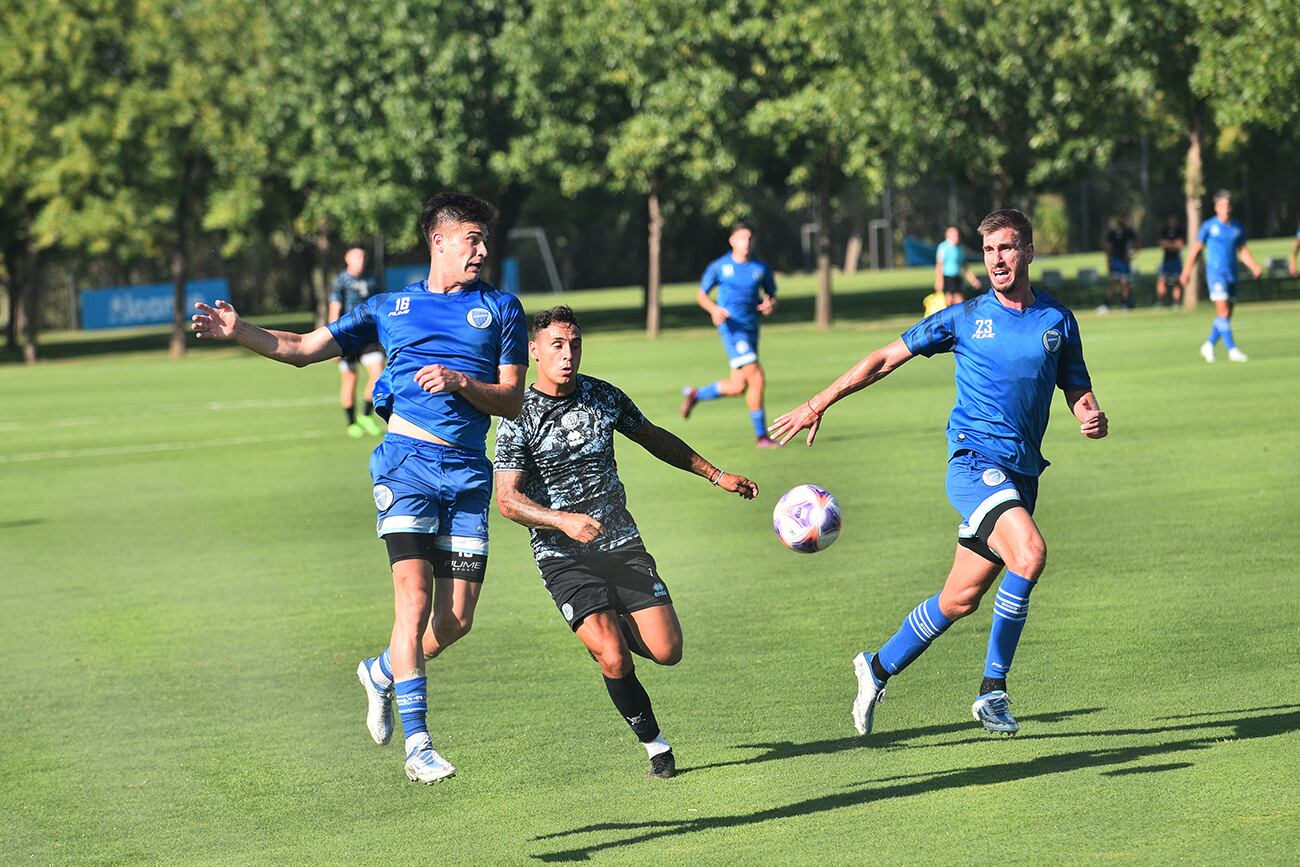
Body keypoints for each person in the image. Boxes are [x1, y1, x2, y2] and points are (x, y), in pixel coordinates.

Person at [192, 192, 529, 784]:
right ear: (439, 241)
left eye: (484, 240)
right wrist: (238, 328)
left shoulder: (502, 309)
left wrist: (462, 382)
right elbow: (300, 349)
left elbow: (513, 398)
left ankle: (380, 672)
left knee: (453, 623)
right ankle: (419, 744)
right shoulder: (388, 306)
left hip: (470, 473)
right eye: (471, 239)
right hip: (405, 464)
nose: (481, 250)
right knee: (414, 600)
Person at [769, 208, 1107, 737]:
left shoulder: (1057, 321)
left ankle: (876, 667)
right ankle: (992, 691)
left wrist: (1088, 413)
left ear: (1029, 252)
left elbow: (1076, 387)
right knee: (1031, 553)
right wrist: (819, 401)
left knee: (959, 599)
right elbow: (884, 358)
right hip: (974, 464)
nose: (997, 259)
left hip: (1022, 475)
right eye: (990, 250)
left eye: (1008, 248)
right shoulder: (965, 317)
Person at [495, 305, 758, 779]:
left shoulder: (602, 396)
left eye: (574, 344)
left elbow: (654, 438)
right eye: (556, 345)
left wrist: (716, 475)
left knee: (667, 651)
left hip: (622, 545)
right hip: (562, 556)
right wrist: (562, 521)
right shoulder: (517, 416)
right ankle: (655, 744)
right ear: (533, 352)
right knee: (612, 655)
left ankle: (611, 618)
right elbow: (508, 500)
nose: (568, 353)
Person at [680, 222, 780, 448]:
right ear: (732, 241)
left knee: (738, 386)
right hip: (732, 329)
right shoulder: (719, 267)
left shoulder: (760, 268)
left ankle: (696, 394)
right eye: (742, 238)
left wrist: (770, 305)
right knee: (757, 378)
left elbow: (771, 296)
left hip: (751, 329)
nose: (746, 243)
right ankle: (762, 437)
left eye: (749, 238)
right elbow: (700, 295)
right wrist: (714, 309)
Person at [1180, 190, 1262, 363]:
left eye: (1228, 205)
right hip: (1215, 274)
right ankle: (1232, 350)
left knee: (1226, 315)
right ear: (1216, 208)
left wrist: (1253, 265)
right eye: (1222, 206)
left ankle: (1209, 345)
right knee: (1223, 311)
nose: (1226, 209)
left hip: (1231, 274)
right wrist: (1187, 271)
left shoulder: (1237, 227)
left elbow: (1243, 250)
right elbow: (1196, 250)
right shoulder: (1209, 226)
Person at [328, 246, 385, 437]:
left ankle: (366, 415)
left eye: (362, 257)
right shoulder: (341, 280)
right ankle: (351, 422)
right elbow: (335, 307)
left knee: (378, 373)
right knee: (350, 379)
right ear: (347, 259)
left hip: (368, 336)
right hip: (347, 336)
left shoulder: (371, 280)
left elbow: (380, 307)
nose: (361, 260)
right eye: (356, 257)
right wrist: (331, 339)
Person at [934, 226, 981, 306]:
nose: (956, 237)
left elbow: (965, 266)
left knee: (957, 299)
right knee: (952, 299)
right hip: (947, 277)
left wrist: (973, 280)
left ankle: (956, 315)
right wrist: (939, 281)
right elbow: (939, 265)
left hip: (957, 277)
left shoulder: (960, 248)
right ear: (948, 236)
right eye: (954, 235)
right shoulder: (943, 247)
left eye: (957, 235)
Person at [1100, 215, 1138, 312]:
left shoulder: (1128, 232)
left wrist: (1133, 254)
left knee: (1124, 283)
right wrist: (1109, 261)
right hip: (1115, 260)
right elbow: (1108, 247)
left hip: (1124, 261)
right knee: (1112, 283)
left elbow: (1137, 243)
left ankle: (1124, 303)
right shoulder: (1112, 233)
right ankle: (1106, 304)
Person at [1155, 214, 1184, 308]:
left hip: (1176, 260)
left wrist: (1168, 244)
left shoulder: (1180, 231)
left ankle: (1176, 303)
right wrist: (1173, 245)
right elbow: (1162, 244)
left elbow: (1179, 244)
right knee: (1162, 280)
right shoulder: (1164, 231)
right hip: (1166, 261)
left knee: (1176, 282)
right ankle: (1160, 303)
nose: (1172, 222)